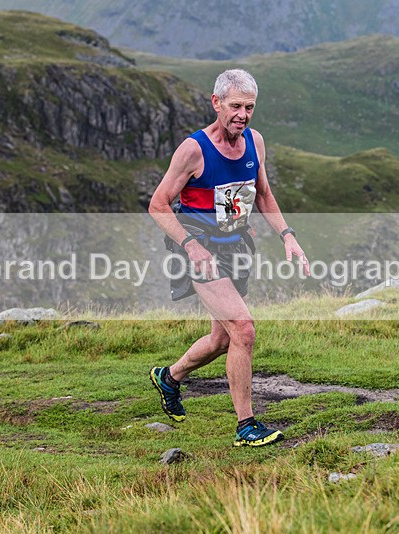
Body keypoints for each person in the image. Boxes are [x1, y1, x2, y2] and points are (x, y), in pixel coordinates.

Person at [148, 69, 309, 447]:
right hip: (198, 249)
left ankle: (169, 377)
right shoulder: (193, 150)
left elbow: (264, 194)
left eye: (249, 107)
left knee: (223, 338)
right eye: (236, 105)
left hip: (236, 246)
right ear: (216, 102)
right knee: (244, 329)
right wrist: (190, 245)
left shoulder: (255, 142)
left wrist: (288, 236)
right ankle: (246, 426)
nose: (243, 114)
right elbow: (158, 205)